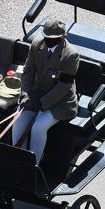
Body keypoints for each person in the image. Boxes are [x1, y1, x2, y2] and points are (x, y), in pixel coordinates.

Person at [13, 17, 80, 163]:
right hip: (37, 95)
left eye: (53, 38)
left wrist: (42, 103)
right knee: (17, 121)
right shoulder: (37, 44)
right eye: (46, 37)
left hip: (60, 102)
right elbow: (28, 71)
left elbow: (64, 86)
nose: (48, 41)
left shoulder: (71, 55)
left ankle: (34, 163)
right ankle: (19, 160)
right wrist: (24, 93)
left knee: (38, 127)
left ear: (62, 37)